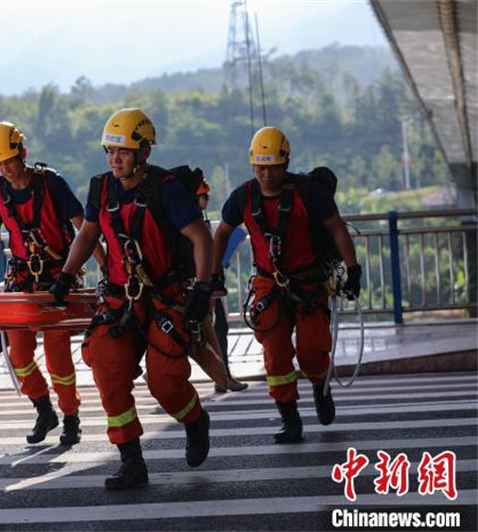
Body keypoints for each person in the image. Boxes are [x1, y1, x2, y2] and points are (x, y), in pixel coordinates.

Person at [50, 108, 213, 490]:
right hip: (120, 302)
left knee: (165, 382)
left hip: (163, 299)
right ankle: (131, 461)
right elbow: (88, 235)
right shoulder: (101, 188)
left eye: (122, 151)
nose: (114, 159)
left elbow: (200, 238)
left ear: (143, 152)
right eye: (109, 151)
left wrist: (202, 287)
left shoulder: (167, 189)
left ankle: (194, 419)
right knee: (108, 371)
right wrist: (65, 278)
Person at [210, 127, 362, 444]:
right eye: (260, 167)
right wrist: (213, 274)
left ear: (286, 163)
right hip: (269, 283)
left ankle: (320, 387)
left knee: (311, 351)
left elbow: (336, 229)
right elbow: (222, 231)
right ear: (253, 165)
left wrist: (353, 270)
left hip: (308, 281)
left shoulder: (308, 192)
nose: (266, 174)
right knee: (276, 355)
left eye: (273, 167)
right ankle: (289, 419)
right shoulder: (243, 196)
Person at [0, 121, 103, 446]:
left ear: (23, 153)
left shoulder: (51, 184)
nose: (6, 169)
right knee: (17, 354)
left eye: (10, 160)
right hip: (22, 279)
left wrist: (107, 271)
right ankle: (43, 408)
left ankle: (71, 416)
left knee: (57, 355)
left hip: (57, 277)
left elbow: (84, 228)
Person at [196, 181, 249, 394]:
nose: (206, 200)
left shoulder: (197, 221)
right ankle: (223, 377)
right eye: (203, 196)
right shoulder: (189, 224)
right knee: (210, 331)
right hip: (200, 287)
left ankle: (223, 377)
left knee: (219, 329)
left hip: (207, 285)